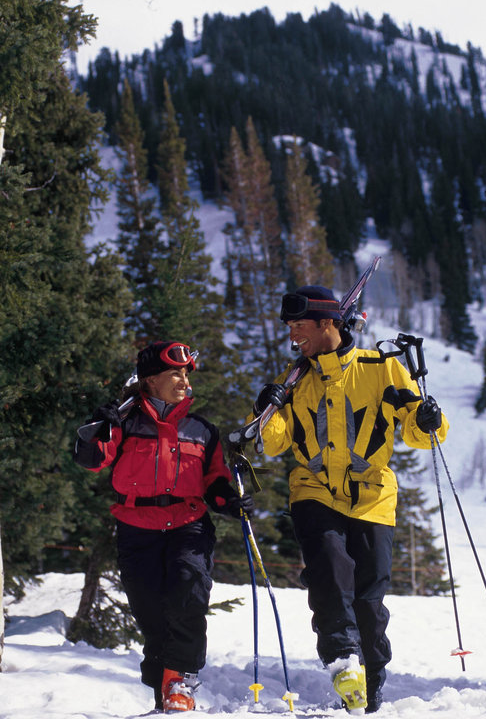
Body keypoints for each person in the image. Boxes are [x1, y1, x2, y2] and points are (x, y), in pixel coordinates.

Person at [250, 286, 448, 714]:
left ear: (328, 323)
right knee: (329, 572)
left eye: (299, 326)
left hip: (373, 497)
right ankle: (343, 661)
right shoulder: (294, 378)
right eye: (289, 327)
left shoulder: (380, 368)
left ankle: (370, 682)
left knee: (368, 600)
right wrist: (265, 410)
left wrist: (429, 418)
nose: (292, 335)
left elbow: (418, 431)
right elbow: (274, 443)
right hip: (314, 491)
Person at [74, 341, 252, 714]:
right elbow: (91, 461)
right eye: (176, 374)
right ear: (151, 380)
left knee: (189, 592)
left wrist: (229, 501)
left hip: (189, 525)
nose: (184, 381)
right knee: (152, 614)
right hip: (136, 529)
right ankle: (164, 693)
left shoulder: (202, 430)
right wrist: (98, 427)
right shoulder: (124, 423)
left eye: (186, 374)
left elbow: (215, 481)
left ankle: (180, 682)